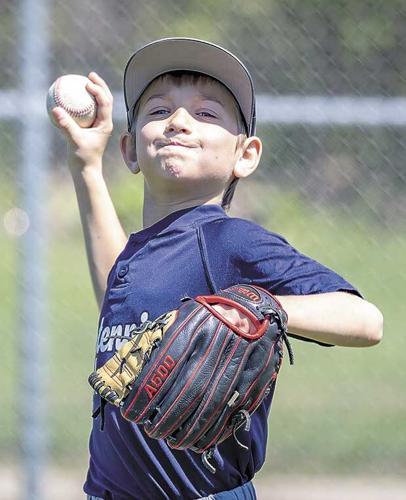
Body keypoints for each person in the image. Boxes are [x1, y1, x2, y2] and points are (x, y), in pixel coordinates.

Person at [52, 38, 383, 500]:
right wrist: (87, 165)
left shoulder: (229, 241)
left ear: (244, 155)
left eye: (206, 114)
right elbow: (116, 292)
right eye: (159, 110)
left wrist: (256, 306)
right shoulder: (142, 249)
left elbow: (366, 321)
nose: (179, 122)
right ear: (129, 151)